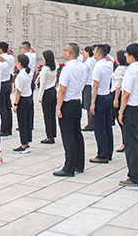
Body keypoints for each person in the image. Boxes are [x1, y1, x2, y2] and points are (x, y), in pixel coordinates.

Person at [118, 43, 138, 186]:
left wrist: (121, 111)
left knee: (131, 144)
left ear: (131, 56)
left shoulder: (131, 70)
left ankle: (134, 176)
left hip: (132, 108)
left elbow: (126, 93)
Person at [54, 43, 86, 177]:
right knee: (77, 134)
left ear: (70, 53)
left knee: (69, 137)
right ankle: (79, 164)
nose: (63, 52)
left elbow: (62, 90)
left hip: (67, 103)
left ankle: (69, 167)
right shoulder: (82, 67)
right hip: (76, 102)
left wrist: (58, 108)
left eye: (65, 50)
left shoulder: (67, 69)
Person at [89, 44, 114, 164]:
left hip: (99, 98)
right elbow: (110, 59)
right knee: (107, 126)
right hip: (107, 96)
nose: (93, 54)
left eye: (94, 52)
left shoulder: (98, 67)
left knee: (99, 128)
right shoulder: (109, 64)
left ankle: (102, 154)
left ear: (99, 54)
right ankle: (109, 152)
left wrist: (92, 103)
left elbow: (95, 85)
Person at [13, 54, 34, 153]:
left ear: (20, 63)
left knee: (22, 123)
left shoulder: (20, 75)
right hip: (29, 98)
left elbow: (18, 91)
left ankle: (24, 144)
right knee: (28, 122)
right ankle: (27, 142)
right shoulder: (29, 72)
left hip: (23, 100)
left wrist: (15, 104)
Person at [37, 50, 58, 143]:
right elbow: (56, 62)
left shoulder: (45, 69)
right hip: (53, 91)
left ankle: (49, 137)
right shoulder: (54, 67)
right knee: (52, 114)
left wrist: (40, 97)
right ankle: (53, 133)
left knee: (47, 116)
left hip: (47, 92)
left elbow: (42, 84)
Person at [0, 42, 15, 136]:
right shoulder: (11, 58)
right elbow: (10, 57)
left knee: (2, 107)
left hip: (2, 83)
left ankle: (4, 129)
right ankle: (9, 128)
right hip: (7, 83)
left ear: (0, 49)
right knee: (8, 106)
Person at [111, 51, 128, 152]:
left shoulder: (119, 70)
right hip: (123, 95)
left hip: (118, 95)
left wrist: (116, 99)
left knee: (121, 120)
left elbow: (118, 86)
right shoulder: (127, 69)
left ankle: (125, 143)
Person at [81, 46, 96, 132]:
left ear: (87, 53)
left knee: (88, 106)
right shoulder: (94, 61)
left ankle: (90, 124)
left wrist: (81, 87)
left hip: (87, 85)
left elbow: (84, 76)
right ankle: (91, 123)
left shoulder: (87, 63)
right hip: (93, 84)